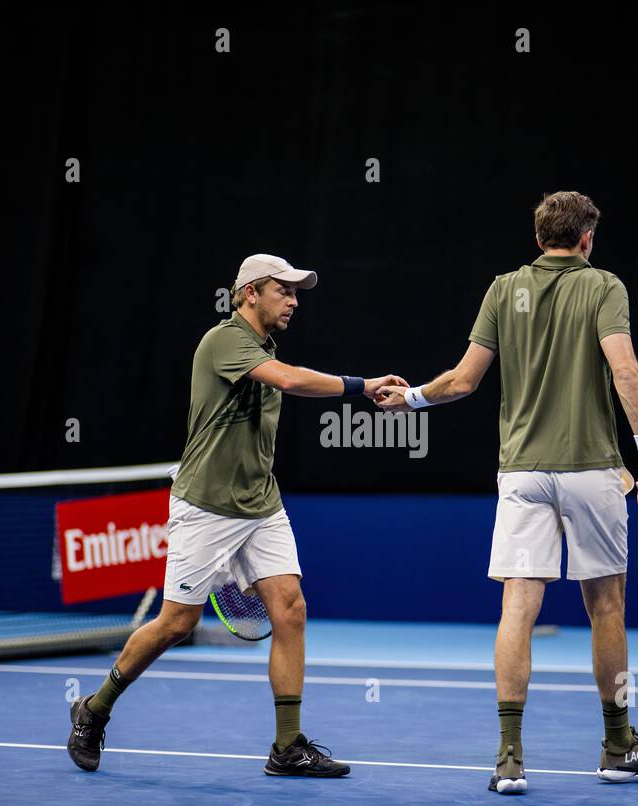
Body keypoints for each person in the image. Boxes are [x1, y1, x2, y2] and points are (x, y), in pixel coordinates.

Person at [377, 192, 638, 793]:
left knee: (517, 607)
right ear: (586, 239)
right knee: (607, 609)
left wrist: (407, 399)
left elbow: (461, 382)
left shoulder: (501, 289)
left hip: (522, 475)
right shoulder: (604, 287)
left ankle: (509, 756)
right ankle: (617, 743)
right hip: (592, 470)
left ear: (539, 239)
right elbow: (627, 372)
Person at [69, 253, 406, 777]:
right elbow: (292, 381)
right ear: (250, 292)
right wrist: (362, 386)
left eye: (297, 293)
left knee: (290, 609)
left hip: (261, 504)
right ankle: (95, 708)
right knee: (176, 623)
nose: (294, 300)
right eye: (283, 290)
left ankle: (287, 746)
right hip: (205, 505)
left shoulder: (266, 347)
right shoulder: (224, 340)